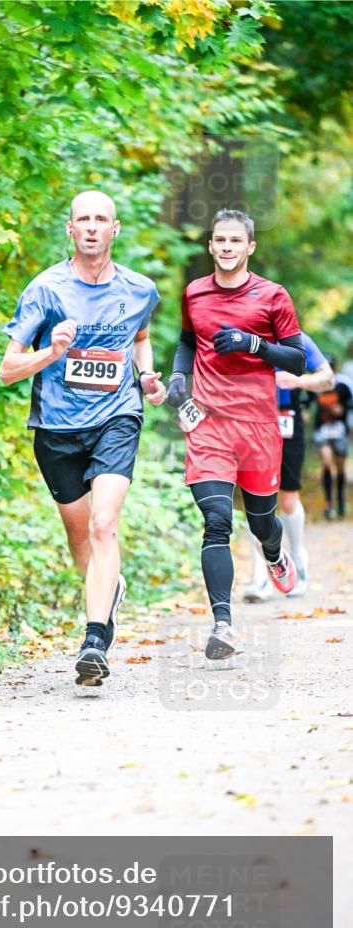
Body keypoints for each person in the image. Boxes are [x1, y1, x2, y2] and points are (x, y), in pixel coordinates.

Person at [0, 190, 165, 685]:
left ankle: (96, 639)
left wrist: (148, 376)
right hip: (56, 427)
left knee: (103, 524)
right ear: (69, 229)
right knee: (80, 538)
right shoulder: (45, 290)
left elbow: (139, 337)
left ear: (115, 229)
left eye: (101, 219)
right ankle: (107, 588)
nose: (92, 227)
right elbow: (8, 369)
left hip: (117, 416)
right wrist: (51, 352)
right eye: (82, 219)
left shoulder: (140, 289)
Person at [166, 208, 306, 660]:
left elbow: (298, 360)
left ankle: (274, 550)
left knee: (261, 520)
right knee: (217, 523)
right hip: (209, 426)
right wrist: (177, 379)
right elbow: (189, 341)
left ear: (249, 247)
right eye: (219, 241)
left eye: (234, 241)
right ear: (211, 246)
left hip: (259, 427)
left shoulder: (273, 296)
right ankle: (223, 625)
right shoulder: (194, 293)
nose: (226, 248)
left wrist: (255, 345)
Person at [244, 335, 334, 601]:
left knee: (288, 497)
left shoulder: (297, 338)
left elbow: (328, 378)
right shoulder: (242, 334)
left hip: (287, 420)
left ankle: (296, 556)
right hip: (250, 421)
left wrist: (297, 381)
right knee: (255, 497)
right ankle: (259, 573)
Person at [313, 357, 353, 519]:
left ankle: (341, 499)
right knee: (327, 463)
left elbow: (350, 405)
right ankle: (328, 503)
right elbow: (305, 401)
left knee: (341, 467)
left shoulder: (343, 385)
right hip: (323, 430)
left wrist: (342, 410)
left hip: (340, 430)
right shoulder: (315, 385)